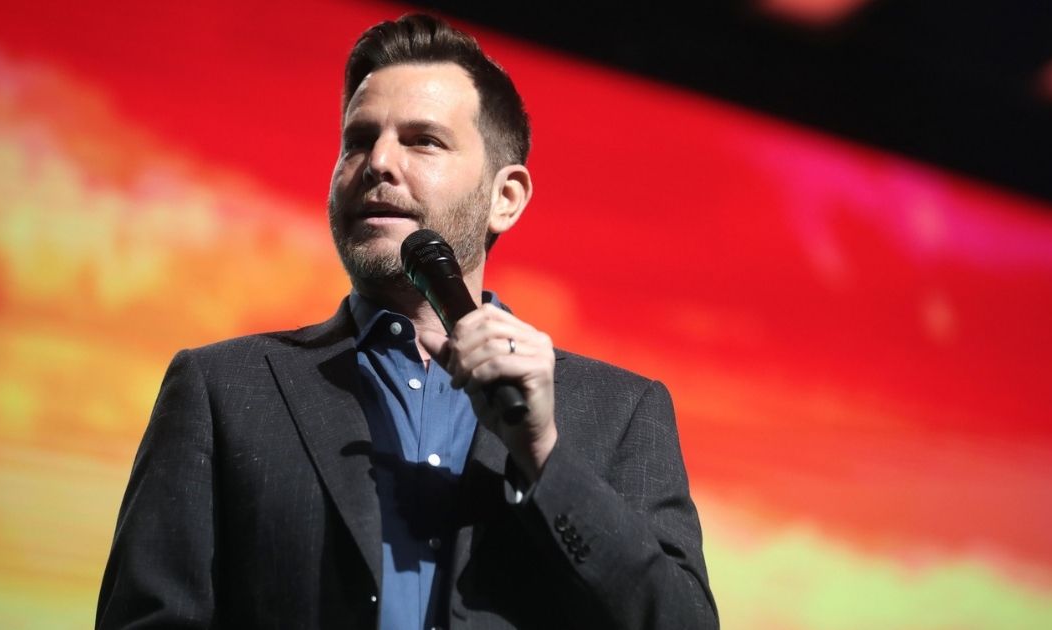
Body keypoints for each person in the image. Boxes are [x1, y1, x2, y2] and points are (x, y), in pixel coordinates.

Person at [96, 13, 717, 630]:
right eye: (358, 139)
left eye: (423, 140)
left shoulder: (621, 411)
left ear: (506, 197)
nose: (378, 162)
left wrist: (543, 455)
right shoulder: (222, 390)